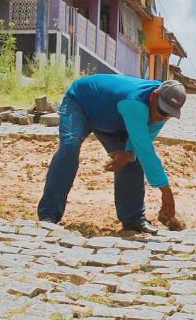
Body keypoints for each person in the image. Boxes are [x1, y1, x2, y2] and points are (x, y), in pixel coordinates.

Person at [37, 75, 187, 235]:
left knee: (132, 159)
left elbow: (141, 143)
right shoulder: (134, 102)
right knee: (69, 146)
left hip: (113, 119)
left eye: (168, 114)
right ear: (154, 95)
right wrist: (166, 192)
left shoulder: (162, 107)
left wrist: (129, 154)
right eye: (161, 111)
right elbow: (146, 151)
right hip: (80, 103)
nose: (161, 117)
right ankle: (49, 214)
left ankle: (133, 219)